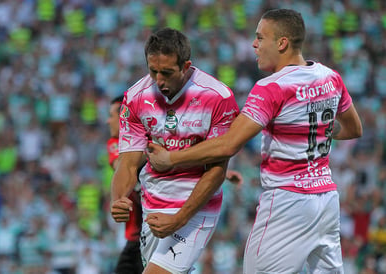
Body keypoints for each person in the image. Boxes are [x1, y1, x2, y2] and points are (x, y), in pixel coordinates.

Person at [147, 9, 363, 273]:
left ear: (282, 43)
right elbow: (353, 128)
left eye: (260, 38)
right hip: (326, 200)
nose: (254, 44)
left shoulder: (271, 87)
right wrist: (317, 126)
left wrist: (171, 158)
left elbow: (228, 145)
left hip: (287, 202)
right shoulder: (330, 77)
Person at [110, 27, 239, 274]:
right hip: (153, 208)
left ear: (186, 66)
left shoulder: (217, 97)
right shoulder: (135, 98)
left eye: (167, 73)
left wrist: (179, 219)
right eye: (153, 71)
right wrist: (119, 198)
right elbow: (128, 163)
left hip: (195, 208)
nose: (158, 80)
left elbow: (217, 171)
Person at [106, 96, 144, 274]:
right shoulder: (115, 144)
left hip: (156, 233)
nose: (108, 121)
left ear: (123, 119)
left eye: (111, 115)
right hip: (135, 238)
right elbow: (120, 167)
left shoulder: (147, 139)